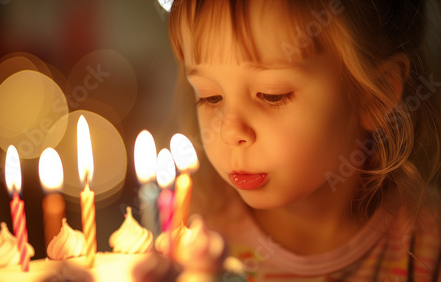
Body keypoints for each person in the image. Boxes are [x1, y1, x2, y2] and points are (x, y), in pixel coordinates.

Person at [166, 0, 441, 280]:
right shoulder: (188, 237)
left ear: (374, 96)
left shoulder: (427, 245)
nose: (229, 131)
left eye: (272, 94)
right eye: (210, 96)